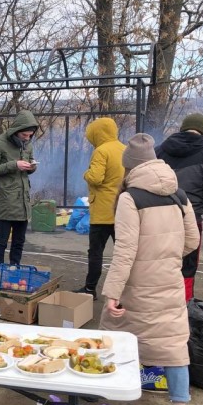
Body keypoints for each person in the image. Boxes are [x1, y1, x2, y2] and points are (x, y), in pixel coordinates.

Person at [100, 133, 200, 405]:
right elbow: (193, 241)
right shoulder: (179, 194)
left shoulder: (131, 198)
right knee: (173, 345)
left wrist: (112, 293)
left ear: (129, 167)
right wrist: (166, 257)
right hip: (170, 282)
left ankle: (109, 398)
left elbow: (125, 250)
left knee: (114, 335)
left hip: (137, 285)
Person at [156, 113, 203, 300]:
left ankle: (158, 307)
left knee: (158, 264)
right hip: (190, 219)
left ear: (182, 128)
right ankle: (184, 309)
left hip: (157, 218)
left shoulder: (159, 151)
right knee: (187, 266)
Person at [75, 117, 126, 299]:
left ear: (97, 133)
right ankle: (123, 292)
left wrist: (86, 173)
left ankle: (90, 289)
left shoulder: (101, 151)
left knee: (96, 252)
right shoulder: (123, 148)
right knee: (123, 254)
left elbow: (95, 178)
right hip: (122, 210)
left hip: (103, 212)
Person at [0, 110, 39, 265]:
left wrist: (32, 167)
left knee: (19, 242)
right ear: (16, 131)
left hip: (23, 202)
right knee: (1, 242)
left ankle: (15, 269)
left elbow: (28, 165)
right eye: (24, 135)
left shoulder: (27, 145)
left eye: (30, 135)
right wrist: (14, 165)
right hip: (7, 201)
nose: (27, 138)